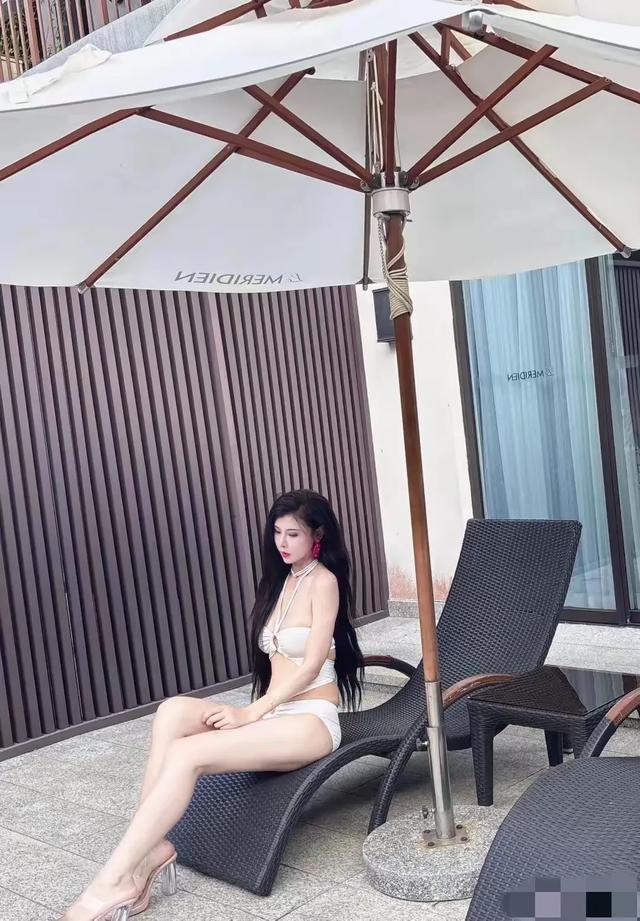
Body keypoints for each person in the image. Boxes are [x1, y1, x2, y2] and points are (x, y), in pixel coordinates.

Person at [61, 488, 364, 920]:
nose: (282, 542)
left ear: (317, 535)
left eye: (293, 534)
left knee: (187, 754)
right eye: (277, 532)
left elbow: (312, 663)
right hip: (274, 716)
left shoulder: (323, 582)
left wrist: (251, 712)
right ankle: (151, 848)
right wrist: (259, 711)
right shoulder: (281, 582)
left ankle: (114, 879)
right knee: (172, 711)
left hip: (310, 721)